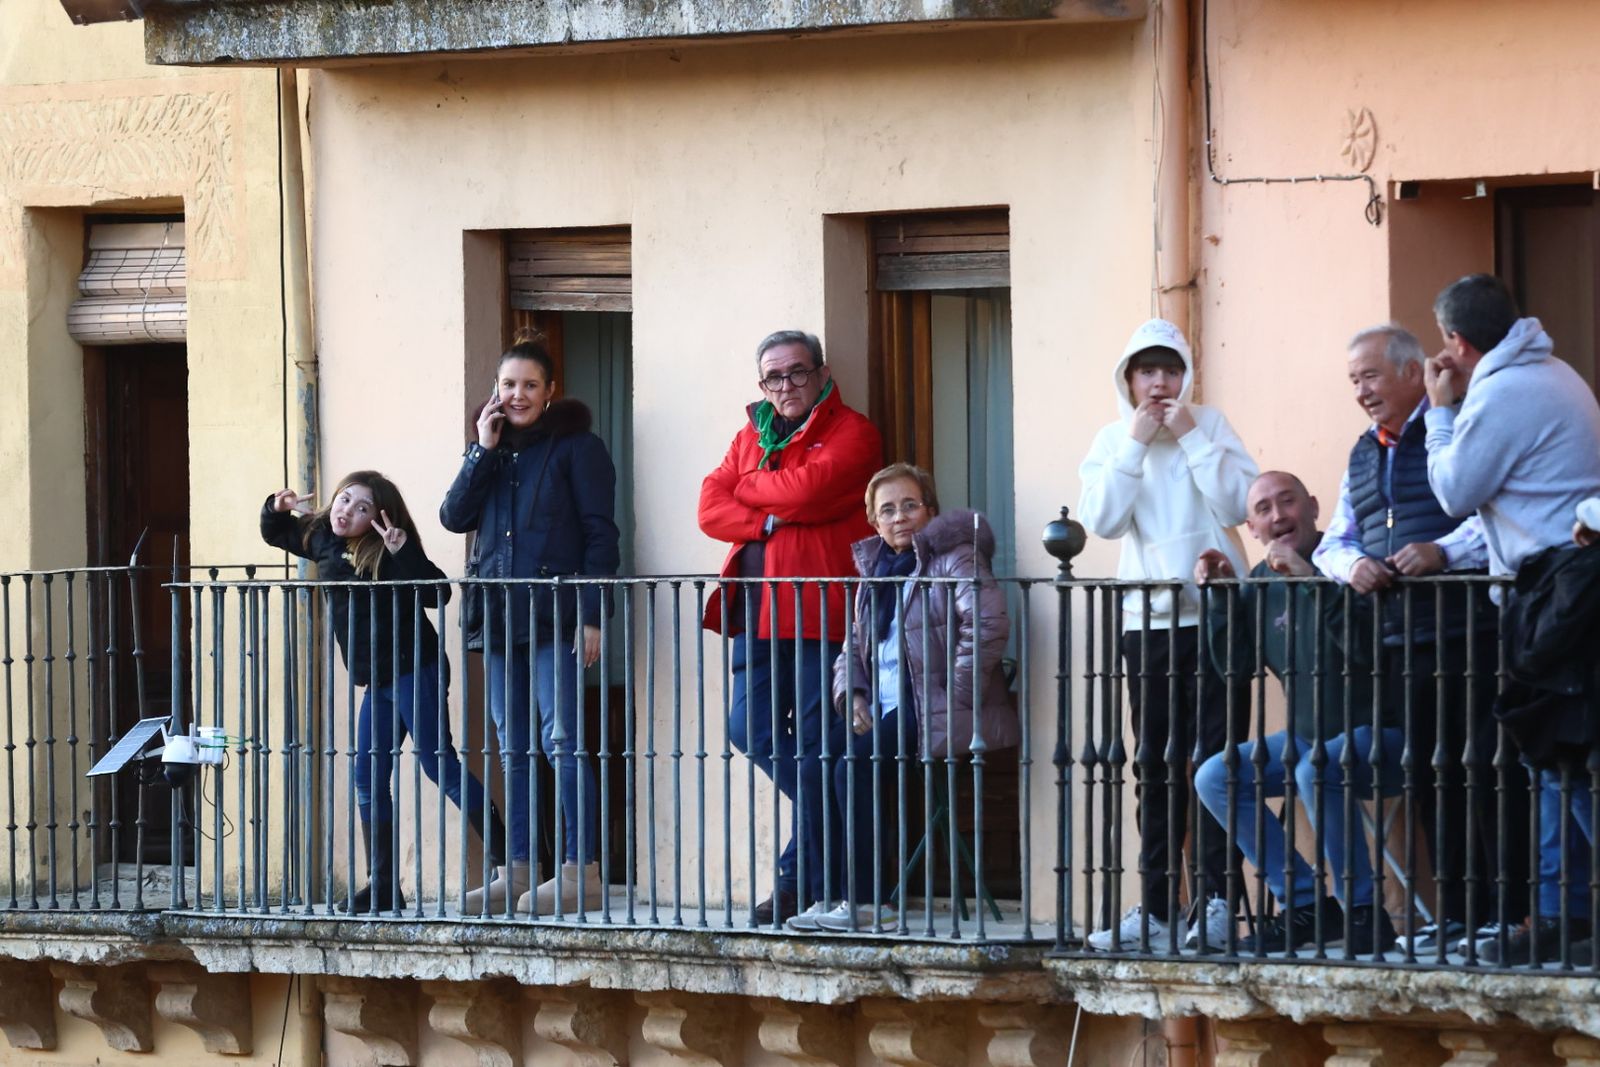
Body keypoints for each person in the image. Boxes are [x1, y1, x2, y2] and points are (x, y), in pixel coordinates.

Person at [1311, 323, 1520, 957]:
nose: (1361, 393)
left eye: (1369, 377)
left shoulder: (1458, 425)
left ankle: (1502, 914)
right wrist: (1356, 568)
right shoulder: (1363, 451)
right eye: (1353, 381)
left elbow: (1503, 520)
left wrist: (1442, 551)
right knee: (1433, 776)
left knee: (1485, 770)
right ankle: (1456, 915)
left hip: (1473, 629)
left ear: (1409, 373)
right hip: (1403, 642)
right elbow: (1333, 543)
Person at [1424, 273, 1600, 963]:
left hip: (1557, 591)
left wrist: (1441, 411)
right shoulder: (1555, 373)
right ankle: (1562, 912)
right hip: (1567, 586)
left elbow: (1452, 490)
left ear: (1458, 343)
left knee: (1563, 756)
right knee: (1554, 752)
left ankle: (1565, 911)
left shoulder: (1500, 392)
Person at [1078, 317, 1258, 951]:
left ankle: (1215, 904)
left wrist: (1189, 437)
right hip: (1147, 620)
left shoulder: (1208, 424)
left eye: (1171, 369)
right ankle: (1157, 909)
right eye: (1147, 371)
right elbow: (1101, 518)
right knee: (1154, 764)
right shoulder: (1111, 438)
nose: (1160, 383)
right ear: (1127, 379)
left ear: (1186, 375)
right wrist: (1134, 441)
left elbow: (1240, 506)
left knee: (1217, 761)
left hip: (1216, 616)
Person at [698, 330, 882, 926]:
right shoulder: (752, 431)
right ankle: (827, 849)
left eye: (796, 373)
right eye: (773, 378)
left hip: (816, 608)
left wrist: (750, 492)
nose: (785, 387)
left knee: (812, 744)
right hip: (756, 608)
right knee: (747, 726)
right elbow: (708, 505)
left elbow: (811, 489)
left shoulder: (853, 431)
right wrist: (768, 521)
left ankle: (796, 880)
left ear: (821, 372)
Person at [261, 472, 503, 914]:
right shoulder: (320, 537)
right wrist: (276, 507)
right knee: (368, 779)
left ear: (379, 518)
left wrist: (403, 551)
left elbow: (438, 594)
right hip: (379, 679)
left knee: (438, 765)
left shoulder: (390, 550)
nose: (347, 511)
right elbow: (276, 534)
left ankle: (508, 863)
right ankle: (384, 884)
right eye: (345, 499)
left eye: (362, 508)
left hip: (417, 669)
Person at [440, 334, 621, 916]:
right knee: (512, 747)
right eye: (508, 385)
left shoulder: (578, 448)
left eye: (529, 385)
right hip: (498, 619)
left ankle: (581, 870)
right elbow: (453, 517)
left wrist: (593, 615)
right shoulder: (492, 450)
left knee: (561, 740)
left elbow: (601, 534)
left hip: (557, 615)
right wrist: (481, 449)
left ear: (550, 392)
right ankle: (519, 870)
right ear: (497, 390)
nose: (517, 395)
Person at [1193, 471, 1397, 956]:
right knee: (1214, 777)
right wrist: (1221, 598)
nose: (1278, 515)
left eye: (1287, 502)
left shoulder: (1346, 560)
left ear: (1313, 506)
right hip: (1307, 741)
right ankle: (1307, 906)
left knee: (1317, 767)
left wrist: (1310, 580)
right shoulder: (1261, 583)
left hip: (1385, 735)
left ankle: (1366, 912)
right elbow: (1236, 668)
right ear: (1253, 529)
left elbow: (1368, 652)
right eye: (1264, 509)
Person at [820, 463, 1020, 931]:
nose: (900, 517)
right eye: (887, 510)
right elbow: (854, 646)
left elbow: (988, 626)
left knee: (854, 765)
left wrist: (954, 693)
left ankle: (871, 902)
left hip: (932, 708)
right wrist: (853, 695)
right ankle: (828, 895)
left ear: (930, 510)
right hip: (886, 706)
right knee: (818, 760)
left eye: (910, 505)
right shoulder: (875, 575)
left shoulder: (956, 558)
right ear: (874, 522)